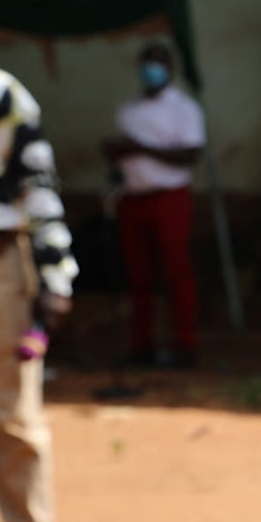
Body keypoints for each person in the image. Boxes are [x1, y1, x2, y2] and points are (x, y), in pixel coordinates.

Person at [0, 68, 78, 522]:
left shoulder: (2, 94)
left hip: (2, 268)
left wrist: (55, 274)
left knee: (16, 420)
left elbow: (39, 184)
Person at [103, 43, 203, 368]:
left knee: (177, 274)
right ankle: (141, 346)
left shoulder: (184, 109)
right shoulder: (128, 110)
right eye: (147, 64)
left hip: (170, 198)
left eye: (158, 64)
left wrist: (141, 148)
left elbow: (190, 153)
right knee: (137, 277)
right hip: (132, 198)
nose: (152, 71)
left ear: (170, 69)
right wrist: (117, 152)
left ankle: (185, 346)